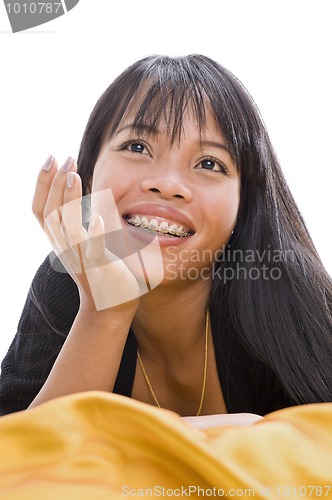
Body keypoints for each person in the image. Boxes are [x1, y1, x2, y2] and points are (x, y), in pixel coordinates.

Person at [0, 54, 331, 422]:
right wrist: (104, 310)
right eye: (137, 147)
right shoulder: (65, 283)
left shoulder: (286, 294)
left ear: (245, 204)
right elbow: (17, 466)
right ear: (88, 174)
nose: (168, 184)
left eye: (209, 163)